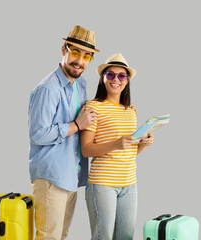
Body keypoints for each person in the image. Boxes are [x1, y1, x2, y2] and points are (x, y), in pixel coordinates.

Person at [28, 25, 99, 240]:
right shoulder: (48, 89)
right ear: (64, 49)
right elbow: (38, 134)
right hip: (51, 178)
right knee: (49, 237)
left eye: (87, 56)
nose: (80, 61)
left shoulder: (80, 85)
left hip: (71, 175)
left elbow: (89, 117)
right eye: (75, 52)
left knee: (61, 235)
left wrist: (123, 107)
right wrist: (76, 125)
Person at [81, 53, 154, 240]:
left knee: (126, 237)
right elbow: (86, 149)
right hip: (103, 184)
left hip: (129, 184)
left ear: (127, 80)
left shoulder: (130, 110)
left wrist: (143, 144)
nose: (116, 79)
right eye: (110, 74)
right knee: (103, 236)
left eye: (121, 76)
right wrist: (115, 143)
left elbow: (128, 152)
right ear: (103, 77)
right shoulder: (93, 107)